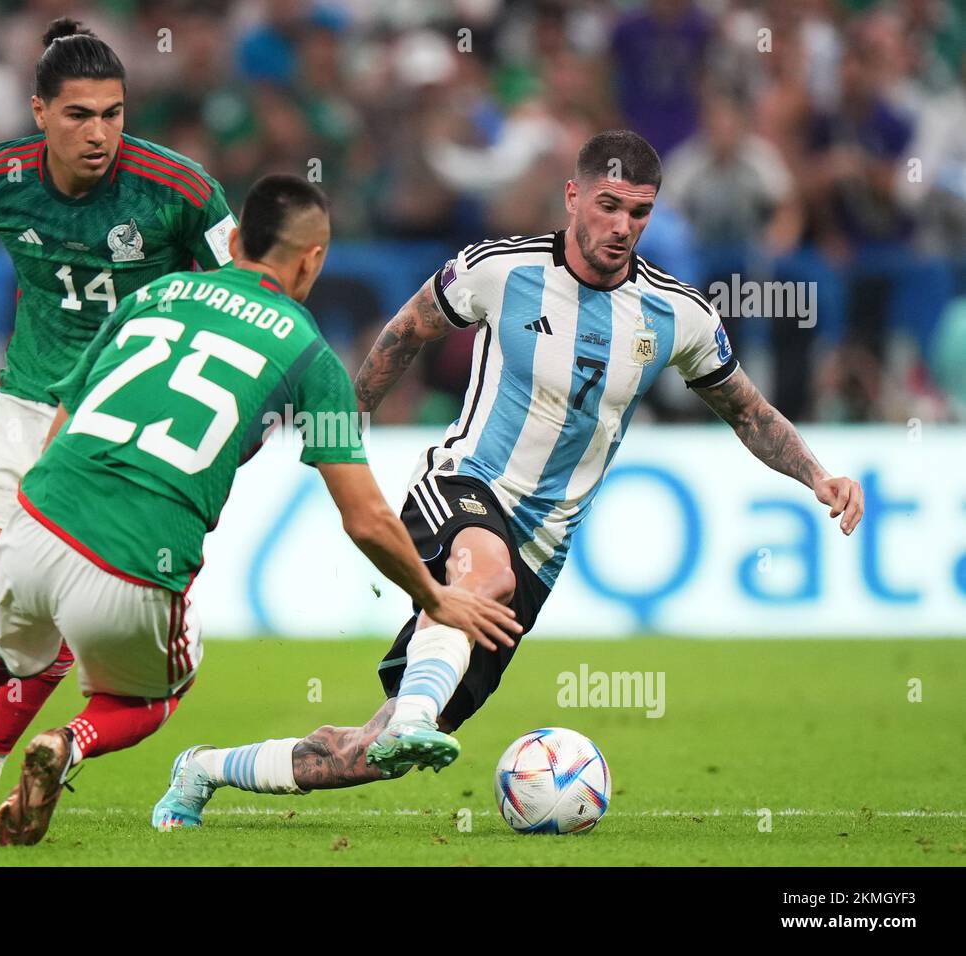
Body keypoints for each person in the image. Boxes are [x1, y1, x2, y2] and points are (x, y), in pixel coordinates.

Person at [151, 130, 865, 829]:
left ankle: (206, 769)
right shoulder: (501, 268)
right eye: (609, 205)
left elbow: (747, 411)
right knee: (481, 574)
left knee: (368, 754)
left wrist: (819, 477)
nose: (623, 226)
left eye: (640, 212)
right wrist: (348, 425)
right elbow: (407, 331)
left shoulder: (678, 314)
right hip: (465, 485)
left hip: (541, 554)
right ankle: (419, 715)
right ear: (573, 195)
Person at [0, 174, 520, 845]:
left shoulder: (155, 295)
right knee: (159, 690)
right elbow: (364, 517)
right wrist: (434, 597)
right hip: (138, 557)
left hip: (39, 514)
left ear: (234, 244)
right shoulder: (312, 357)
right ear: (313, 262)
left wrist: (38, 510)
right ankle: (68, 741)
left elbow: (63, 416)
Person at [0, 19, 239, 816]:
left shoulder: (180, 188)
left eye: (114, 114)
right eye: (79, 115)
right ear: (38, 112)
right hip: (27, 404)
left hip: (122, 425)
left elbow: (247, 289)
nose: (100, 134)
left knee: (49, 604)